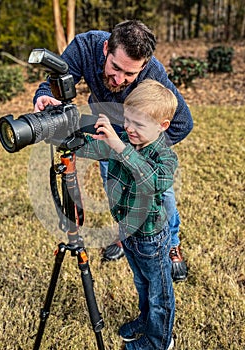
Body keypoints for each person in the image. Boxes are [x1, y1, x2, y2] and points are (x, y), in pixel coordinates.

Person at [33, 19, 192, 282]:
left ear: (143, 67)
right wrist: (44, 96)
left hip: (139, 141)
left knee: (162, 194)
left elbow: (183, 123)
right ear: (106, 47)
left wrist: (144, 150)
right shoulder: (85, 46)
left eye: (130, 75)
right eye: (115, 67)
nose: (119, 79)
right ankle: (124, 235)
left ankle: (172, 244)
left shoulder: (153, 72)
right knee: (115, 188)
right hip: (107, 131)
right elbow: (54, 83)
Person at [75, 79, 177, 349]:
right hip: (127, 232)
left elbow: (151, 180)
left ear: (162, 125)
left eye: (139, 124)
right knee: (141, 283)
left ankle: (159, 341)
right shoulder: (123, 140)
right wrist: (66, 133)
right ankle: (146, 321)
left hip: (151, 238)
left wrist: (120, 148)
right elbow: (94, 148)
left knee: (160, 293)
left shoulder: (165, 158)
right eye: (128, 120)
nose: (129, 128)